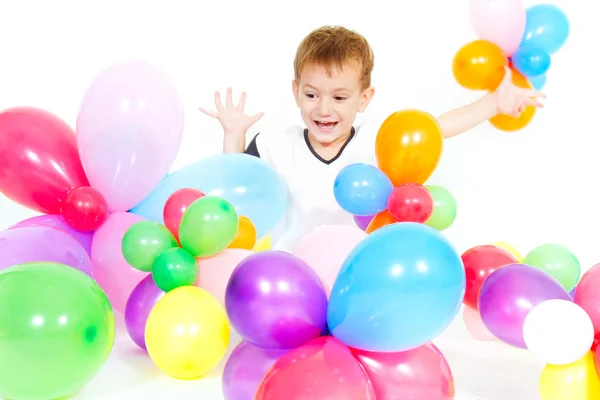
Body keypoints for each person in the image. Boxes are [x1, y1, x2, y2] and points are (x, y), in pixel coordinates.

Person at [199, 25, 545, 251]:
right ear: (296, 91)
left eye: (339, 97)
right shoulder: (276, 143)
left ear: (363, 98)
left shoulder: (378, 142)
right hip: (294, 272)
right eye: (311, 95)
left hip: (358, 275)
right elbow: (237, 187)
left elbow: (437, 129)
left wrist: (494, 103)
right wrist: (234, 134)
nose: (324, 109)